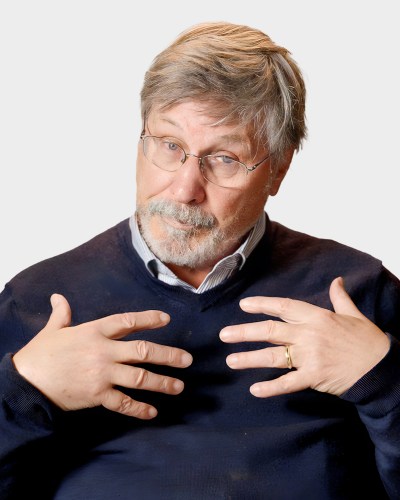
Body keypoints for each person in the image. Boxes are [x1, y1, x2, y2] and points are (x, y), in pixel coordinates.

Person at [1, 21, 399, 499]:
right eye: (170, 146)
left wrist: (385, 380)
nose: (185, 189)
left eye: (225, 158)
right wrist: (23, 392)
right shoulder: (39, 301)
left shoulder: (359, 294)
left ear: (279, 167)